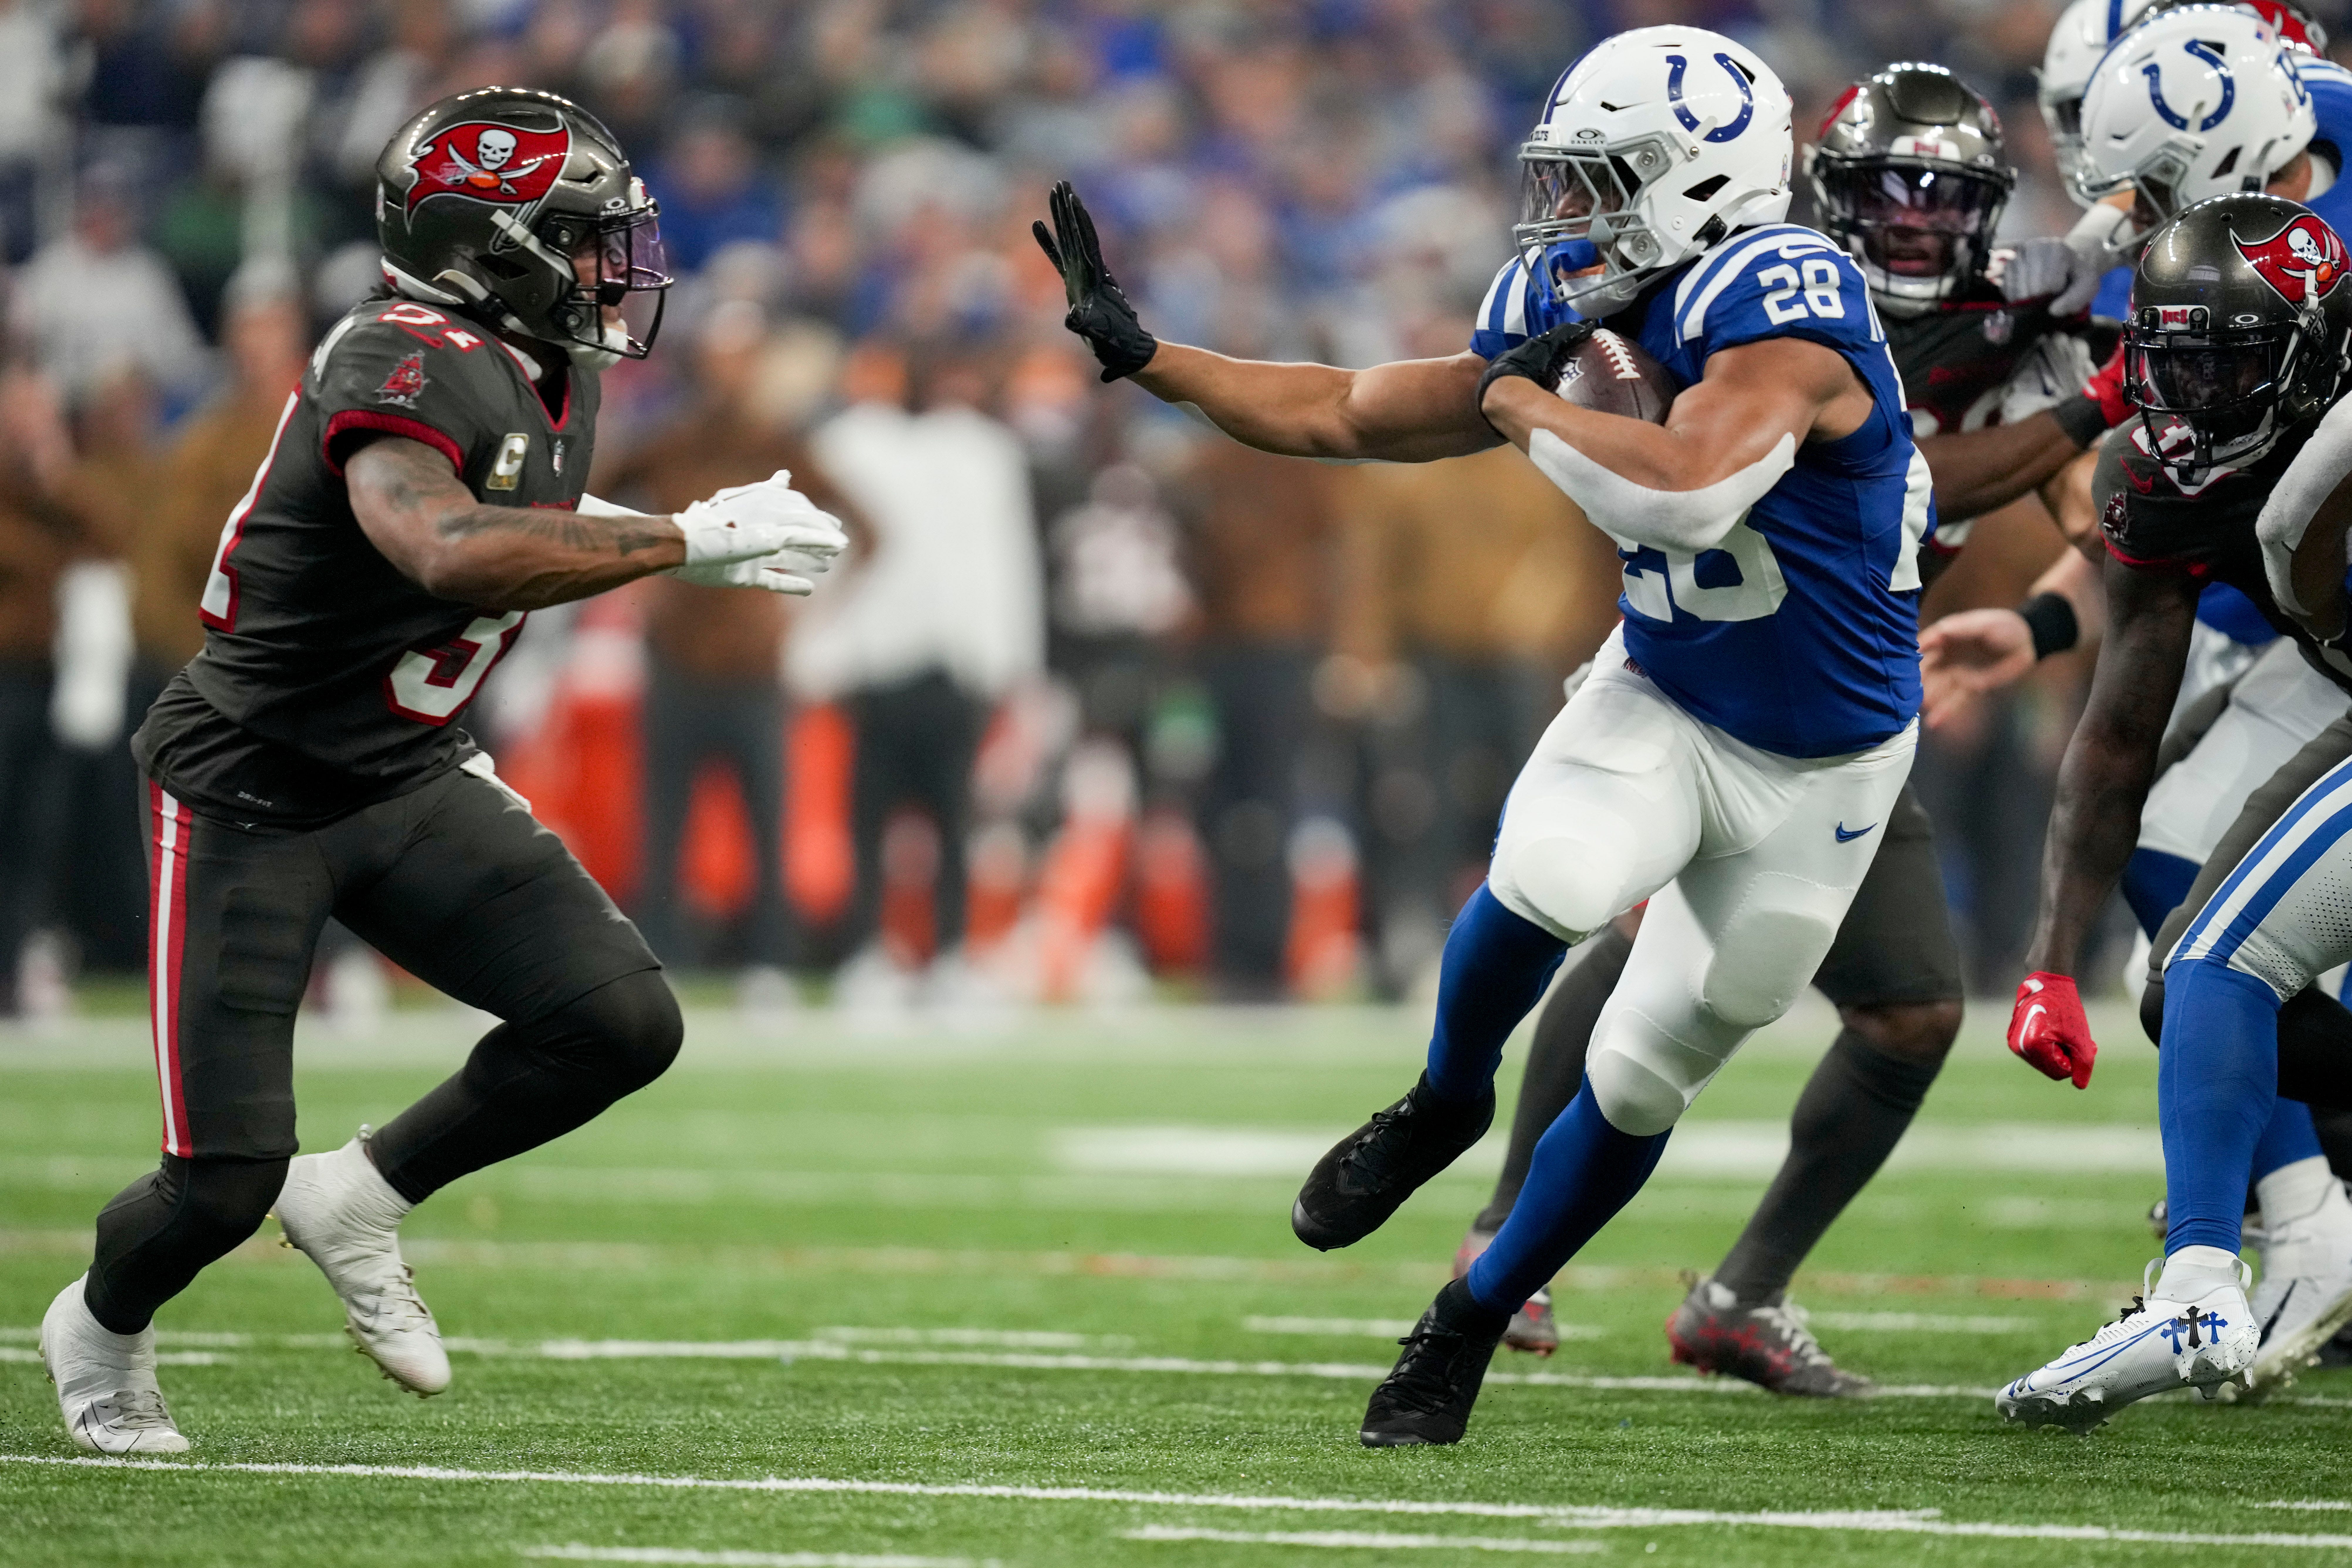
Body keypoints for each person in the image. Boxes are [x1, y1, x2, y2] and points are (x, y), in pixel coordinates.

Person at [1038, 26, 1928, 1446]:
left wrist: (1516, 397)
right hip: (1669, 689)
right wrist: (1155, 361)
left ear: (1703, 181)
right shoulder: (1578, 294)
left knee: (1645, 1075)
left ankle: (1467, 1316)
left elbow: (1694, 491)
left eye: (1603, 181)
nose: (1569, 215)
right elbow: (1348, 407)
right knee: (1552, 877)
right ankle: (1444, 1097)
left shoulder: (1787, 293)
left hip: (1832, 761)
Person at [34, 87, 847, 1456]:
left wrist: (675, 529)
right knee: (219, 1185)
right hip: (250, 782)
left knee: (618, 1020)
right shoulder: (396, 356)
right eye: (588, 240)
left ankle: (360, 1193)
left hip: (405, 770)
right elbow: (446, 547)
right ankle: (101, 1327)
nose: (617, 270)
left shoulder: (542, 359)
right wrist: (684, 541)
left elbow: (520, 503)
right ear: (500, 245)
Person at [1449, 62, 2125, 1392]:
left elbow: (2106, 524)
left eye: (1948, 199)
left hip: (1846, 702)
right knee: (1652, 930)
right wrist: (2085, 407)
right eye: (1892, 192)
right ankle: (1506, 1236)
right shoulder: (1775, 290)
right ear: (1824, 192)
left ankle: (1736, 1294)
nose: (1919, 224)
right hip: (1718, 669)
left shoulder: (2021, 319)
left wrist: (2059, 595)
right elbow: (1927, 480)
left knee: (1912, 1008)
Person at [1928, 5, 2352, 1383]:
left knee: (2230, 945)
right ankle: (2277, 1238)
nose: (2115, 219)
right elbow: (2131, 673)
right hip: (2314, 646)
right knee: (2202, 940)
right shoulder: (2181, 403)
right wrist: (2045, 955)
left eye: (2143, 193)